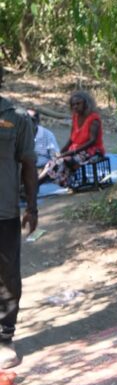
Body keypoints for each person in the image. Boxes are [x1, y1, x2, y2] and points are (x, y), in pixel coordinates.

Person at [0, 66, 38, 369]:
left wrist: (33, 207)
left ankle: (5, 337)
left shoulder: (15, 119)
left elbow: (28, 165)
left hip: (4, 214)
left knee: (8, 277)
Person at [38, 90, 105, 186]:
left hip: (92, 151)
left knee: (63, 161)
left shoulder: (93, 119)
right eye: (73, 105)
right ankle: (36, 184)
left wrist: (72, 152)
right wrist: (61, 151)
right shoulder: (75, 117)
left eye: (78, 104)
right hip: (77, 150)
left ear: (86, 104)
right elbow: (72, 138)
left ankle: (36, 185)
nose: (75, 107)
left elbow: (92, 141)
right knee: (54, 161)